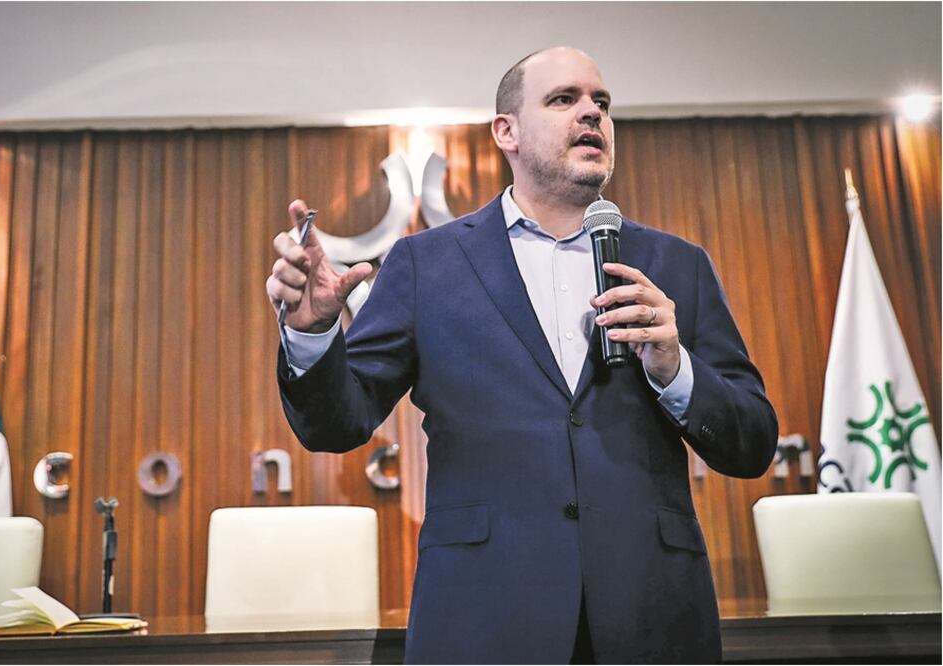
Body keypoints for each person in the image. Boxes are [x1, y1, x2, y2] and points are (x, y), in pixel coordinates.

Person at [266, 47, 777, 664]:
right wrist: (313, 334)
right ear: (506, 131)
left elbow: (751, 443)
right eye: (564, 100)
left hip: (652, 617)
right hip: (483, 614)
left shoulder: (677, 265)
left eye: (602, 103)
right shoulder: (428, 264)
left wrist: (676, 368)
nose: (591, 113)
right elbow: (336, 423)